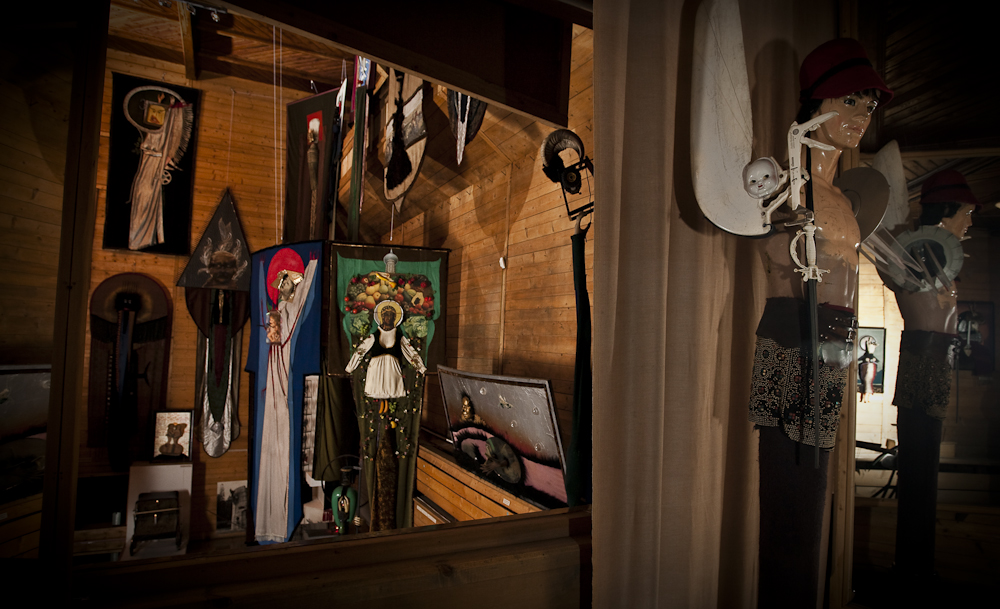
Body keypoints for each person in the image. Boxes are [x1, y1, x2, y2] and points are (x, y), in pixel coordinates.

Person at [749, 38, 892, 609]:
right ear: (819, 100)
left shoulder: (841, 198)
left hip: (834, 348)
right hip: (793, 338)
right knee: (791, 496)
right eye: (851, 100)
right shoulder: (783, 183)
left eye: (869, 105)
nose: (862, 115)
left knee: (812, 494)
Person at [888, 169, 978, 585]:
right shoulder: (920, 254)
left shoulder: (936, 255)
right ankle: (912, 571)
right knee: (919, 470)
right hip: (923, 365)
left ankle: (916, 568)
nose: (970, 221)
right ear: (946, 210)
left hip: (934, 365)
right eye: (966, 213)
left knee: (924, 469)